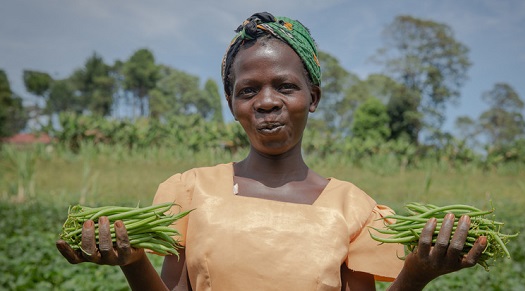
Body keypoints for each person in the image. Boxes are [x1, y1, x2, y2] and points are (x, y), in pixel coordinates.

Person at [56, 12, 487, 291]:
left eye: (285, 86)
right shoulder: (190, 194)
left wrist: (418, 271)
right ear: (232, 104)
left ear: (312, 97)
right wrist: (132, 262)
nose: (266, 101)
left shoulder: (353, 209)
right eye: (248, 90)